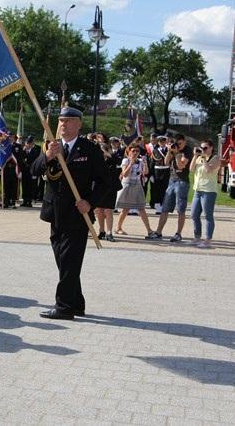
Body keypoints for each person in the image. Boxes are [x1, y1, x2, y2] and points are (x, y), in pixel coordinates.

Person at [30, 107, 109, 320]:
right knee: (65, 261)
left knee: (68, 260)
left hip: (77, 214)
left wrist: (90, 203)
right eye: (61, 120)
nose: (63, 124)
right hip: (55, 213)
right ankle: (76, 302)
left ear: (79, 124)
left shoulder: (89, 149)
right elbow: (34, 171)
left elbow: (105, 182)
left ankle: (64, 307)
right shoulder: (52, 146)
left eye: (69, 120)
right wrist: (47, 156)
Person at [147, 133, 193, 242]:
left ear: (184, 142)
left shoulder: (187, 150)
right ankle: (158, 232)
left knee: (180, 209)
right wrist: (169, 151)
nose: (178, 146)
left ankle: (178, 234)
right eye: (177, 143)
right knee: (165, 208)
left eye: (180, 143)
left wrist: (176, 154)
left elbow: (181, 165)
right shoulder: (173, 149)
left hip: (182, 181)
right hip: (172, 181)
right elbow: (166, 162)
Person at [114, 142, 155, 237]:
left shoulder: (140, 161)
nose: (135, 153)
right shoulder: (125, 160)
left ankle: (149, 230)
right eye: (133, 151)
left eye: (137, 151)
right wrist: (131, 164)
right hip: (127, 185)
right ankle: (118, 228)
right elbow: (125, 174)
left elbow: (146, 172)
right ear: (129, 152)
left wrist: (145, 163)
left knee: (141, 208)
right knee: (125, 209)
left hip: (137, 185)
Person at [189, 140, 220, 249]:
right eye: (201, 148)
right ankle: (197, 237)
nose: (203, 150)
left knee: (208, 215)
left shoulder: (215, 158)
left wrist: (203, 158)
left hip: (209, 191)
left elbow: (208, 170)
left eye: (205, 148)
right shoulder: (199, 157)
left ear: (211, 148)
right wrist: (195, 156)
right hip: (198, 189)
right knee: (194, 214)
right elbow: (191, 169)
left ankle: (208, 240)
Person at [95, 139, 122, 242]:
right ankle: (101, 231)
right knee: (99, 210)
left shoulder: (113, 158)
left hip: (111, 187)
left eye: (104, 150)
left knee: (108, 210)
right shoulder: (97, 159)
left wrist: (108, 153)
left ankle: (109, 232)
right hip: (99, 187)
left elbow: (118, 162)